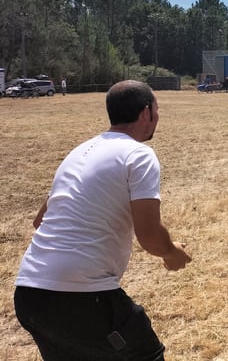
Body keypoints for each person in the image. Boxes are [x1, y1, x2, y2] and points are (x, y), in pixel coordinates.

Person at [14, 80, 192, 361]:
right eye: (157, 111)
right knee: (146, 353)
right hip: (81, 296)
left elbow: (40, 222)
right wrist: (172, 253)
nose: (158, 117)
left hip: (29, 295)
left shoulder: (79, 152)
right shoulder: (139, 155)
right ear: (146, 113)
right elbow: (149, 236)